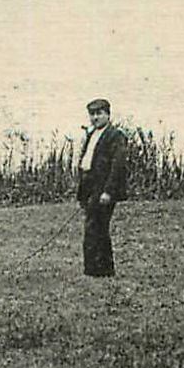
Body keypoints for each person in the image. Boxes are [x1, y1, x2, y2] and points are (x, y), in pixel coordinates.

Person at [75, 98, 128, 277]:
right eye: (92, 114)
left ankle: (98, 270)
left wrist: (108, 191)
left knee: (97, 226)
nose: (95, 117)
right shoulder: (92, 134)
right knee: (94, 226)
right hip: (89, 187)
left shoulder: (115, 135)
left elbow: (118, 165)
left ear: (108, 115)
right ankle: (98, 269)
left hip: (102, 188)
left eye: (99, 113)